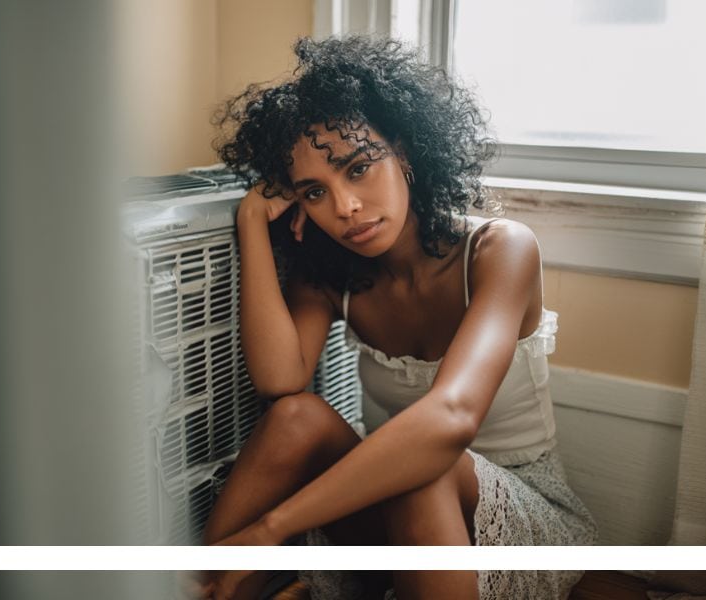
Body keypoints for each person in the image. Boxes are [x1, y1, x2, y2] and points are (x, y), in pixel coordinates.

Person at [193, 35, 599, 600]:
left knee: (423, 469)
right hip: (394, 511)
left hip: (520, 517)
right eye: (314, 192)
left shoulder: (501, 250)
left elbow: (450, 419)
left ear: (404, 153)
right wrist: (251, 228)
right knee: (296, 417)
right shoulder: (332, 273)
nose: (345, 207)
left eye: (358, 168)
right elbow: (281, 381)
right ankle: (202, 585)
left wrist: (271, 529)